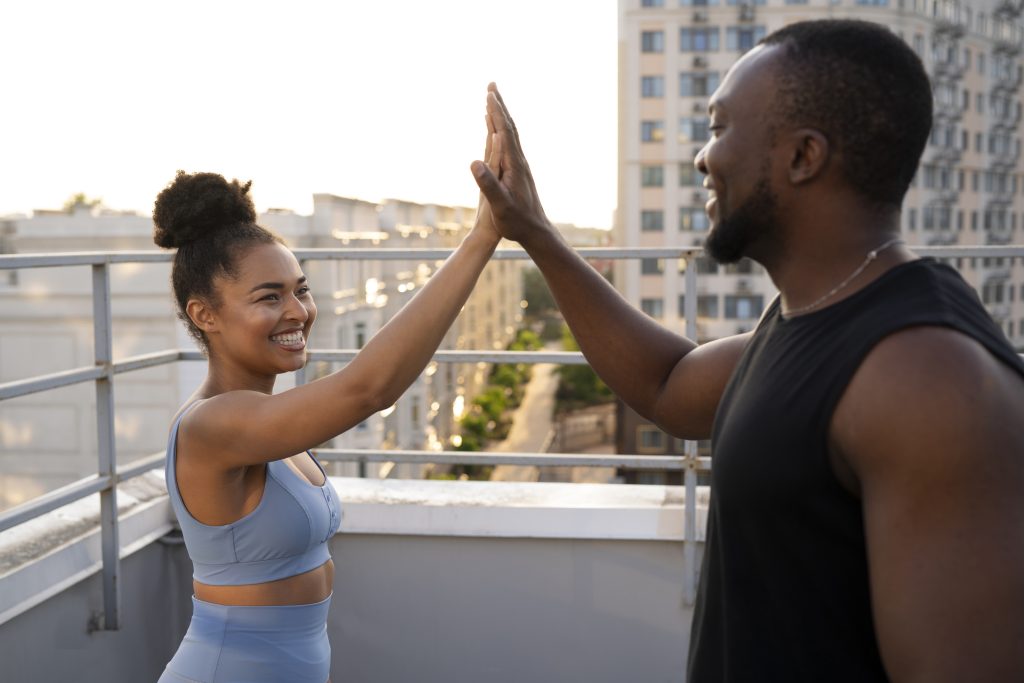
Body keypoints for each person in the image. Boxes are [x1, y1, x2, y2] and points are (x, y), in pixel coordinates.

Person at [471, 19, 1024, 683]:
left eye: (721, 126)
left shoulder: (925, 376)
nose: (704, 157)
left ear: (803, 156)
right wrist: (533, 229)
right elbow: (669, 385)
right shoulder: (811, 311)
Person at [154, 118, 501, 681]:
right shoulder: (213, 425)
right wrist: (482, 235)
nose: (297, 312)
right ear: (205, 314)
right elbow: (371, 387)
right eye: (270, 297)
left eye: (301, 289)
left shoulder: (271, 420)